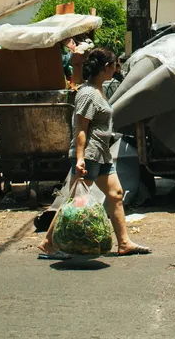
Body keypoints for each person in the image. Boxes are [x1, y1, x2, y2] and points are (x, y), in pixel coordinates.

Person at [38, 47, 151, 258]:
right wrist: (80, 158)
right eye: (114, 65)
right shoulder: (88, 93)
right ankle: (48, 243)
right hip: (89, 154)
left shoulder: (98, 91)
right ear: (106, 67)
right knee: (75, 201)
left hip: (102, 154)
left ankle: (124, 243)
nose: (116, 68)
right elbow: (81, 128)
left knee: (116, 194)